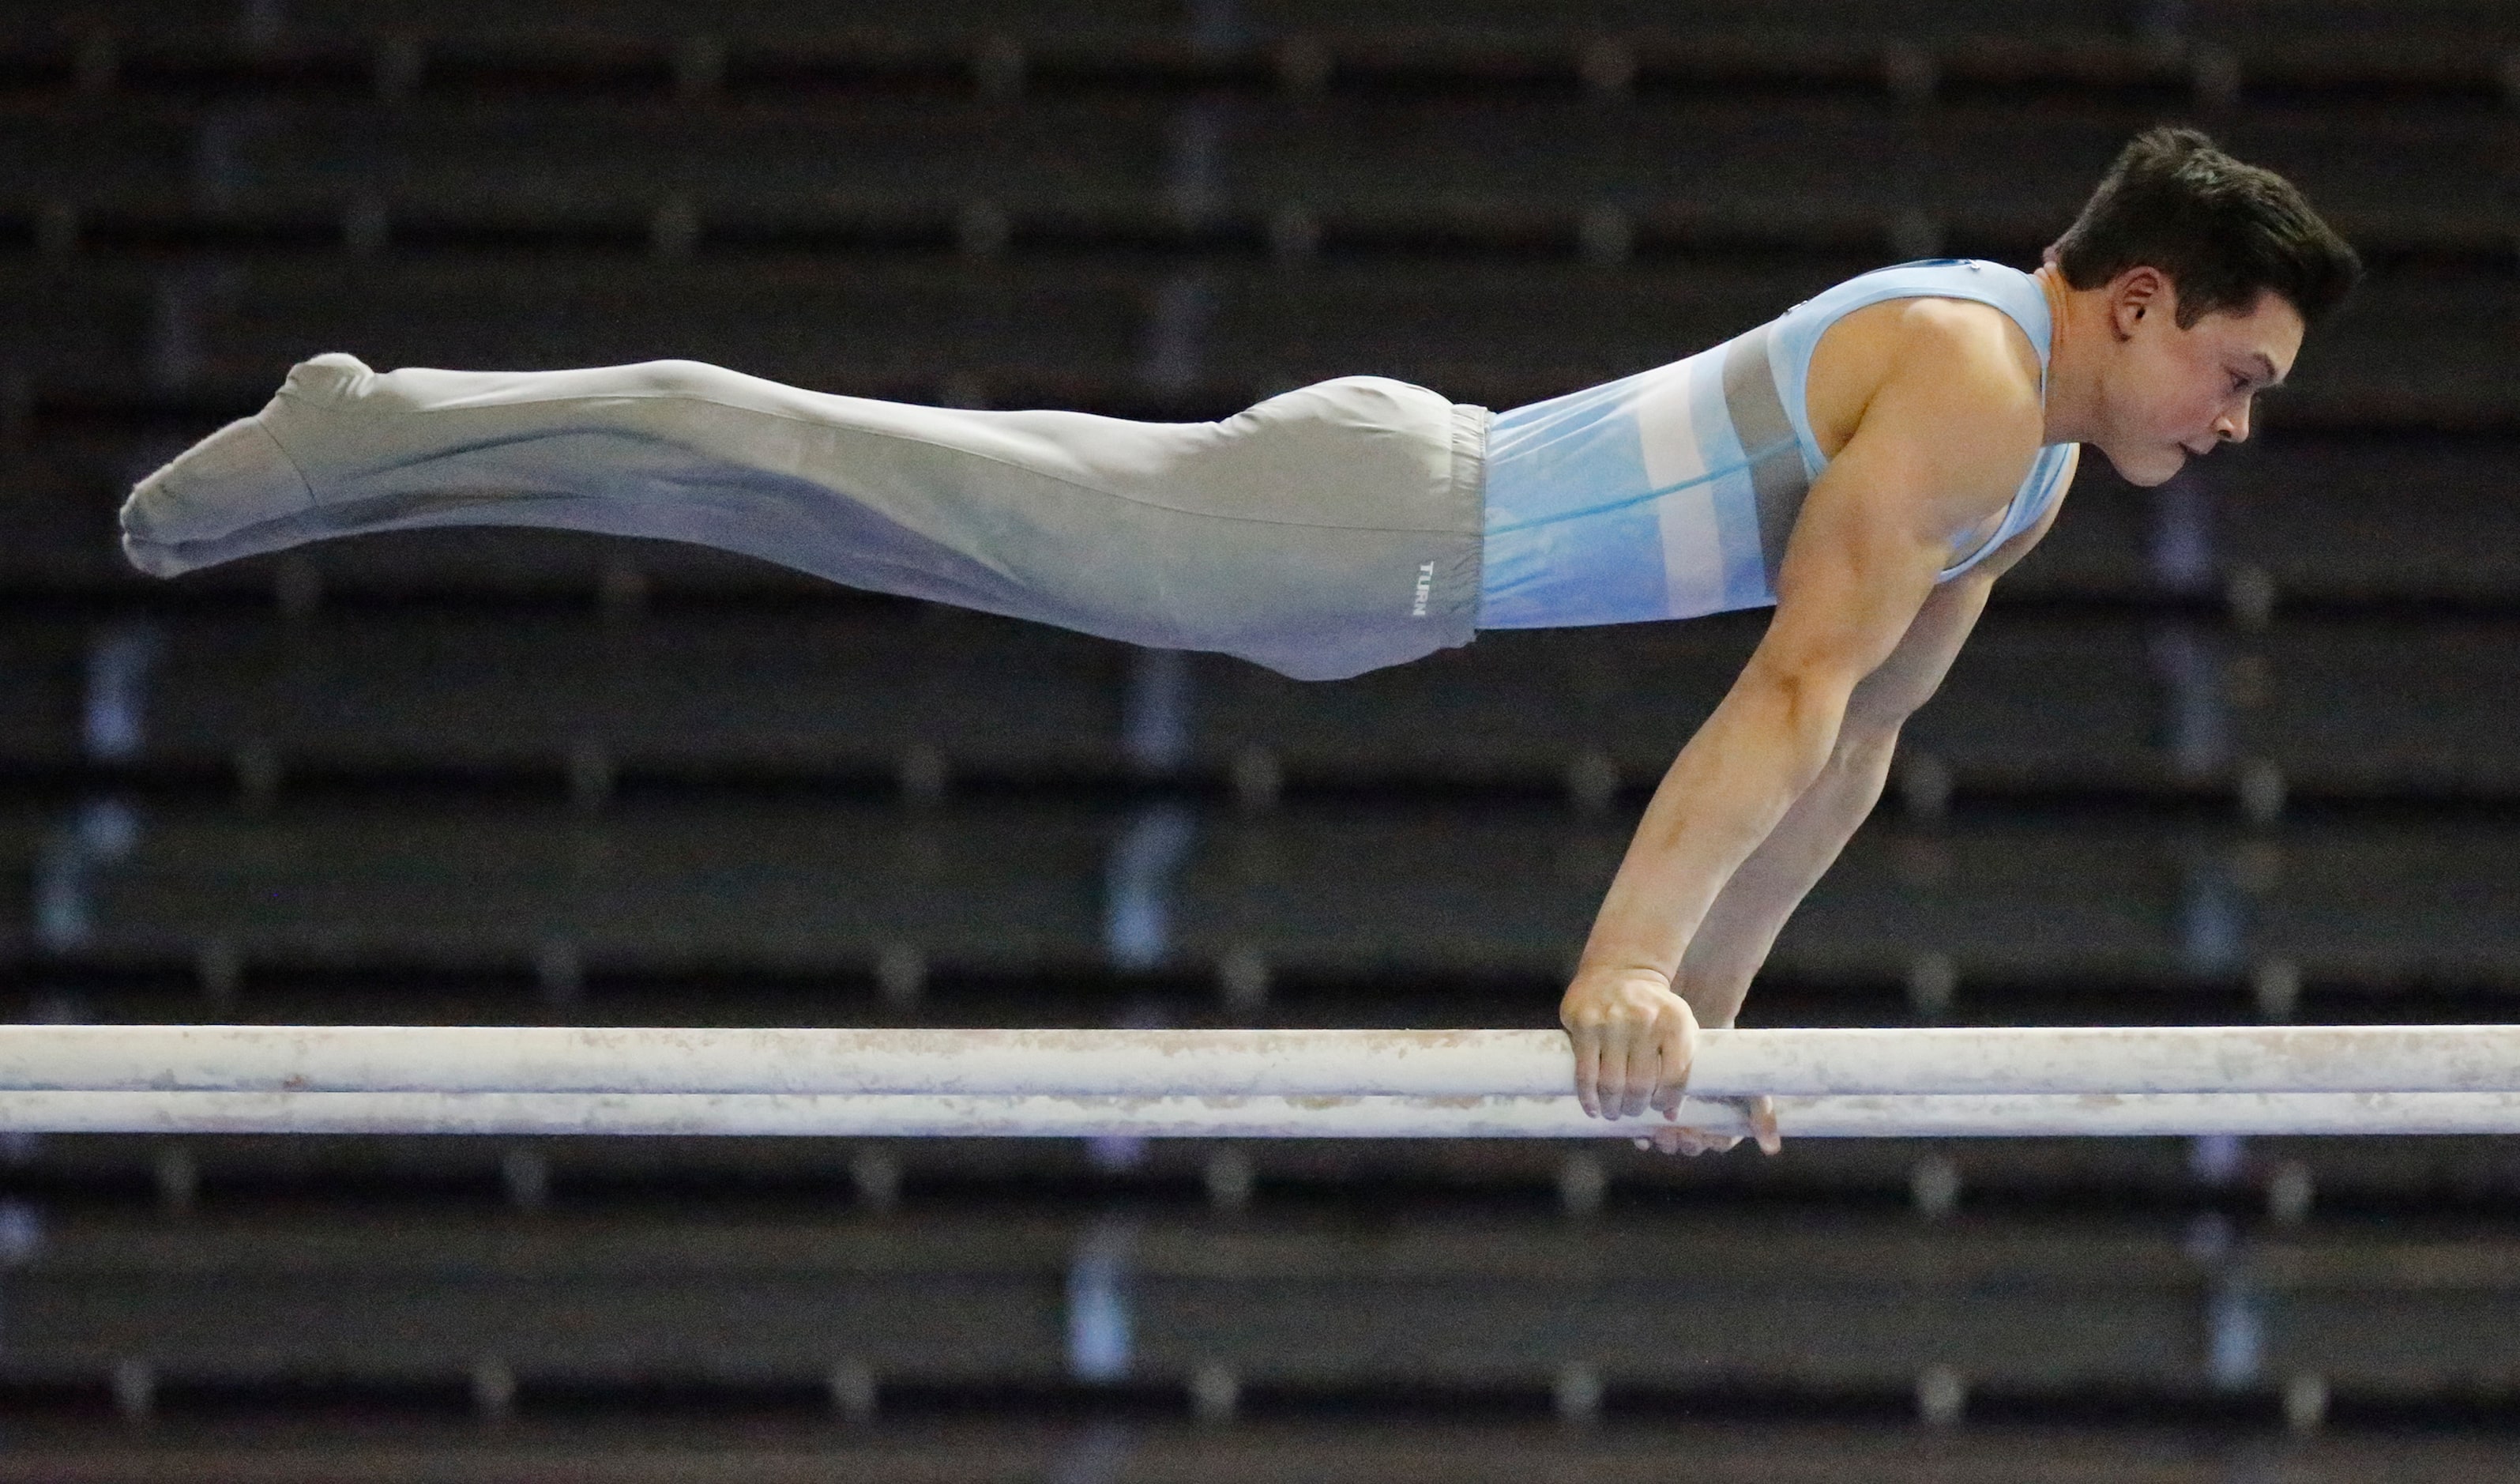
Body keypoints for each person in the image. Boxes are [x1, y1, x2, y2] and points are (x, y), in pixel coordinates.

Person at [119, 126, 2359, 1152]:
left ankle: (411, 443)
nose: (2241, 426)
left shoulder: (2038, 468)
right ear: (2137, 301)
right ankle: (380, 421)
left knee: (827, 519)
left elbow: (1852, 751)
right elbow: (1783, 685)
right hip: (1363, 525)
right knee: (813, 461)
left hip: (1362, 585)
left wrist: (1710, 1032)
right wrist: (1622, 966)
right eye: (2238, 375)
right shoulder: (1974, 377)